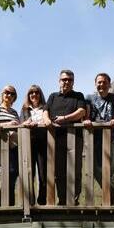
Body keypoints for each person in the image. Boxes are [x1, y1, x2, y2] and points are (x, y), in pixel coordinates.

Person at [45, 70, 86, 205]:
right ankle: (62, 199)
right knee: (59, 170)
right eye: (64, 79)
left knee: (75, 169)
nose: (66, 82)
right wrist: (46, 120)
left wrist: (64, 119)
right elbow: (45, 111)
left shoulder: (78, 96)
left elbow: (81, 112)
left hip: (75, 137)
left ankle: (74, 199)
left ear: (73, 82)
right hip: (56, 138)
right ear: (59, 81)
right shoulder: (52, 96)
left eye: (69, 80)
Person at [83, 73, 114, 205]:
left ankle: (109, 202)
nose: (101, 84)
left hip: (113, 138)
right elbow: (87, 114)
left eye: (104, 82)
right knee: (96, 171)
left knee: (109, 172)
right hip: (95, 139)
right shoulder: (89, 98)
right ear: (95, 84)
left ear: (109, 84)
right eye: (99, 82)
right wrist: (87, 120)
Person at [0, 85, 21, 206]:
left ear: (14, 98)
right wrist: (8, 124)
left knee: (14, 173)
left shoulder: (14, 112)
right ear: (2, 94)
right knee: (9, 172)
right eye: (6, 92)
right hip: (3, 145)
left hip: (15, 146)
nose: (9, 95)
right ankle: (3, 202)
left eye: (12, 94)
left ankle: (7, 202)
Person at [20, 84, 48, 205]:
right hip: (29, 142)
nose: (34, 95)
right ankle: (29, 201)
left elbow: (47, 120)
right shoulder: (25, 109)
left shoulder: (45, 107)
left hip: (43, 142)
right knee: (29, 172)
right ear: (28, 95)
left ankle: (42, 200)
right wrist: (28, 122)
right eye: (31, 93)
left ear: (40, 94)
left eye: (36, 92)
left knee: (43, 173)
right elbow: (22, 123)